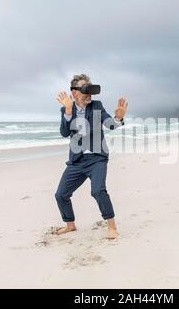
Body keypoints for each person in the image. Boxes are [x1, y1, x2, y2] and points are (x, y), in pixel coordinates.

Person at [54, 74, 128, 239]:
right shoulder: (66, 109)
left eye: (91, 90)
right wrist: (67, 112)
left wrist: (119, 117)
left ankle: (112, 226)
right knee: (61, 195)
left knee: (97, 191)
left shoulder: (96, 105)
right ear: (74, 92)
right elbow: (64, 133)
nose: (89, 94)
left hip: (97, 158)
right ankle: (70, 225)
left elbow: (110, 124)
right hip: (76, 161)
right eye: (85, 90)